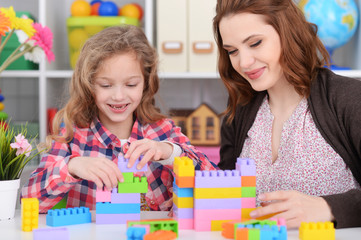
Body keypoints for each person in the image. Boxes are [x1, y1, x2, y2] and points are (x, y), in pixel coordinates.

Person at [21, 25, 217, 213]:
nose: (119, 96)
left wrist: (170, 152)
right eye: (106, 85)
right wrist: (72, 167)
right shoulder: (73, 135)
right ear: (89, 85)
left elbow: (214, 183)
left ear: (145, 83)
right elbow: (30, 200)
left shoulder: (163, 131)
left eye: (131, 84)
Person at [213, 0, 361, 229]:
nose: (243, 63)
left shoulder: (348, 99)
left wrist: (328, 208)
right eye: (232, 51)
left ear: (288, 32)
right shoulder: (239, 110)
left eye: (255, 43)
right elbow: (225, 194)